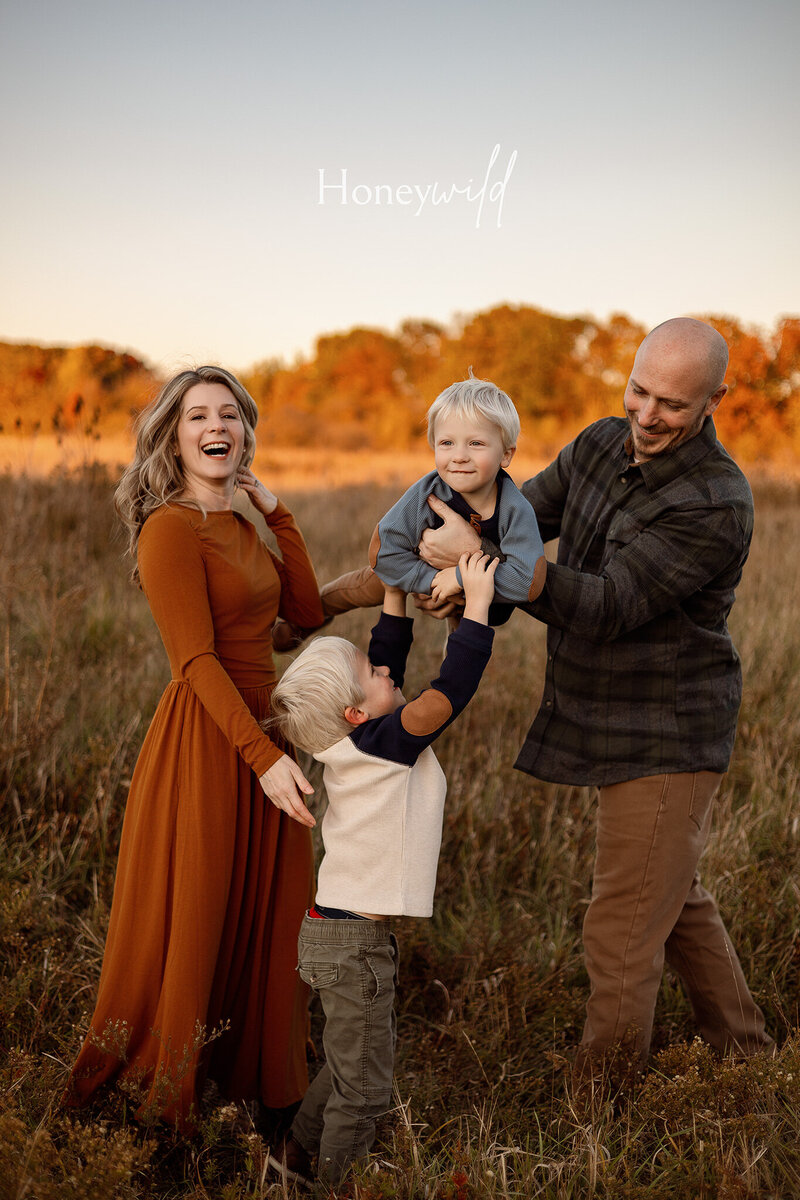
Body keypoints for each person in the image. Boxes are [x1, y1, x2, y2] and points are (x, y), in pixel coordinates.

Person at [407, 318, 775, 1078]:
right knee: (670, 902)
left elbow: (607, 603)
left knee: (622, 927)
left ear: (716, 400)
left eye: (671, 404)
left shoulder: (716, 499)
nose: (645, 416)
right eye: (638, 390)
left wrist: (484, 564)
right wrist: (446, 555)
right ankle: (749, 1061)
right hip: (604, 710)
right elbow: (514, 520)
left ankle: (598, 1108)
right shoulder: (601, 442)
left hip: (667, 727)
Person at [65, 365, 324, 1131]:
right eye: (195, 416)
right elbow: (196, 661)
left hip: (263, 726)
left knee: (270, 915)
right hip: (209, 741)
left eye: (229, 415)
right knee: (197, 913)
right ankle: (164, 1101)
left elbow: (304, 614)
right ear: (172, 440)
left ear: (244, 432)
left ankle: (256, 1091)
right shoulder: (168, 529)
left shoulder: (243, 524)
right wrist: (265, 759)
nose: (216, 426)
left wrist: (275, 512)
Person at [265, 551, 496, 1188]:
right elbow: (451, 692)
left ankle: (286, 1162)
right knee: (364, 1094)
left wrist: (394, 597)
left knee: (347, 1072)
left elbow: (387, 658)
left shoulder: (357, 740)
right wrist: (477, 606)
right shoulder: (388, 743)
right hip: (352, 946)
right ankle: (332, 1186)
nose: (385, 668)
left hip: (334, 933)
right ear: (355, 715)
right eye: (370, 672)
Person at [270, 373, 546, 649]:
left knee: (464, 647)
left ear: (506, 454)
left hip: (474, 590)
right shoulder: (429, 492)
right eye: (447, 443)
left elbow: (528, 582)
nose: (459, 455)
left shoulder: (513, 508)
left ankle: (449, 690)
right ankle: (306, 618)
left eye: (476, 443)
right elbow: (383, 551)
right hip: (411, 566)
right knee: (358, 588)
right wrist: (433, 580)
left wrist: (458, 579)